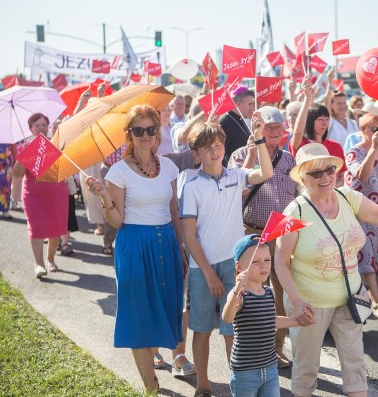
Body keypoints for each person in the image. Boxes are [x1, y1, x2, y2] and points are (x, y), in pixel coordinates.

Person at [275, 143, 378, 397]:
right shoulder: (294, 211)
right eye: (316, 173)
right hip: (309, 305)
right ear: (303, 178)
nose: (325, 177)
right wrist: (296, 301)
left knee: (355, 366)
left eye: (329, 170)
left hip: (349, 298)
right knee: (306, 371)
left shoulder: (348, 197)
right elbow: (281, 263)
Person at [85, 104, 186, 393]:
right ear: (129, 134)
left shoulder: (168, 166)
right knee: (140, 314)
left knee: (165, 309)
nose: (145, 135)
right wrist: (105, 197)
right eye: (138, 130)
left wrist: (179, 245)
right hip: (134, 244)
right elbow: (117, 219)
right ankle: (149, 385)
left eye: (150, 129)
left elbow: (173, 208)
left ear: (158, 133)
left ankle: (152, 365)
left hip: (165, 242)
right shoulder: (118, 171)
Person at [180, 116, 273, 397]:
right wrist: (208, 273)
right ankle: (203, 384)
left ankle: (238, 384)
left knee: (233, 329)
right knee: (201, 329)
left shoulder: (236, 175)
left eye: (219, 145)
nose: (215, 150)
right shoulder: (191, 184)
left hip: (234, 268)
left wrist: (259, 139)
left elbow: (266, 173)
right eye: (208, 147)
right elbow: (189, 235)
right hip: (202, 269)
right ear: (196, 153)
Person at [228, 106, 298, 369]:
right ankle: (248, 346)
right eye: (269, 127)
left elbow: (299, 194)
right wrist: (251, 155)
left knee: (279, 294)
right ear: (257, 127)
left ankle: (276, 349)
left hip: (281, 233)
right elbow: (237, 191)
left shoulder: (290, 160)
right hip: (252, 233)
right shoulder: (240, 155)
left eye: (278, 128)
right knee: (248, 290)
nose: (275, 132)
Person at [222, 234, 306, 397]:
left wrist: (298, 321)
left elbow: (272, 321)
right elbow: (227, 317)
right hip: (245, 372)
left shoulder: (268, 292)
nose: (264, 266)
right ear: (239, 266)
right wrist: (237, 289)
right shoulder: (240, 295)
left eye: (267, 260)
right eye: (256, 261)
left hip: (270, 368)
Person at [345, 112, 378, 322]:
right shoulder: (354, 152)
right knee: (365, 257)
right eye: (372, 129)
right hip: (359, 214)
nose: (377, 133)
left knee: (374, 257)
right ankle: (377, 302)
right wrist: (373, 148)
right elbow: (361, 175)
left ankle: (365, 299)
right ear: (362, 130)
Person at [13, 113, 69, 278]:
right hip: (33, 195)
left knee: (56, 227)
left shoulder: (56, 144)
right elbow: (17, 172)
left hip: (57, 193)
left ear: (48, 126)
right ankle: (39, 264)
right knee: (36, 228)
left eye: (43, 124)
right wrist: (25, 155)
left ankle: (50, 259)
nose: (40, 127)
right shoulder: (28, 146)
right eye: (36, 125)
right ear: (31, 129)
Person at [289, 77, 347, 186]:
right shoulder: (302, 144)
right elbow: (297, 132)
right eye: (320, 119)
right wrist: (307, 99)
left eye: (327, 119)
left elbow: (340, 177)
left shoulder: (335, 146)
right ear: (310, 121)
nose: (325, 123)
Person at [220, 87, 255, 166]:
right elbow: (222, 155)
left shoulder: (241, 119)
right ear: (238, 104)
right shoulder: (223, 124)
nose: (252, 108)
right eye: (250, 104)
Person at [0, 143, 16, 220]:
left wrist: (14, 163)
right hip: (5, 167)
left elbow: (14, 149)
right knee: (5, 188)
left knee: (6, 188)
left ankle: (5, 210)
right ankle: (5, 211)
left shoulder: (9, 134)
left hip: (6, 167)